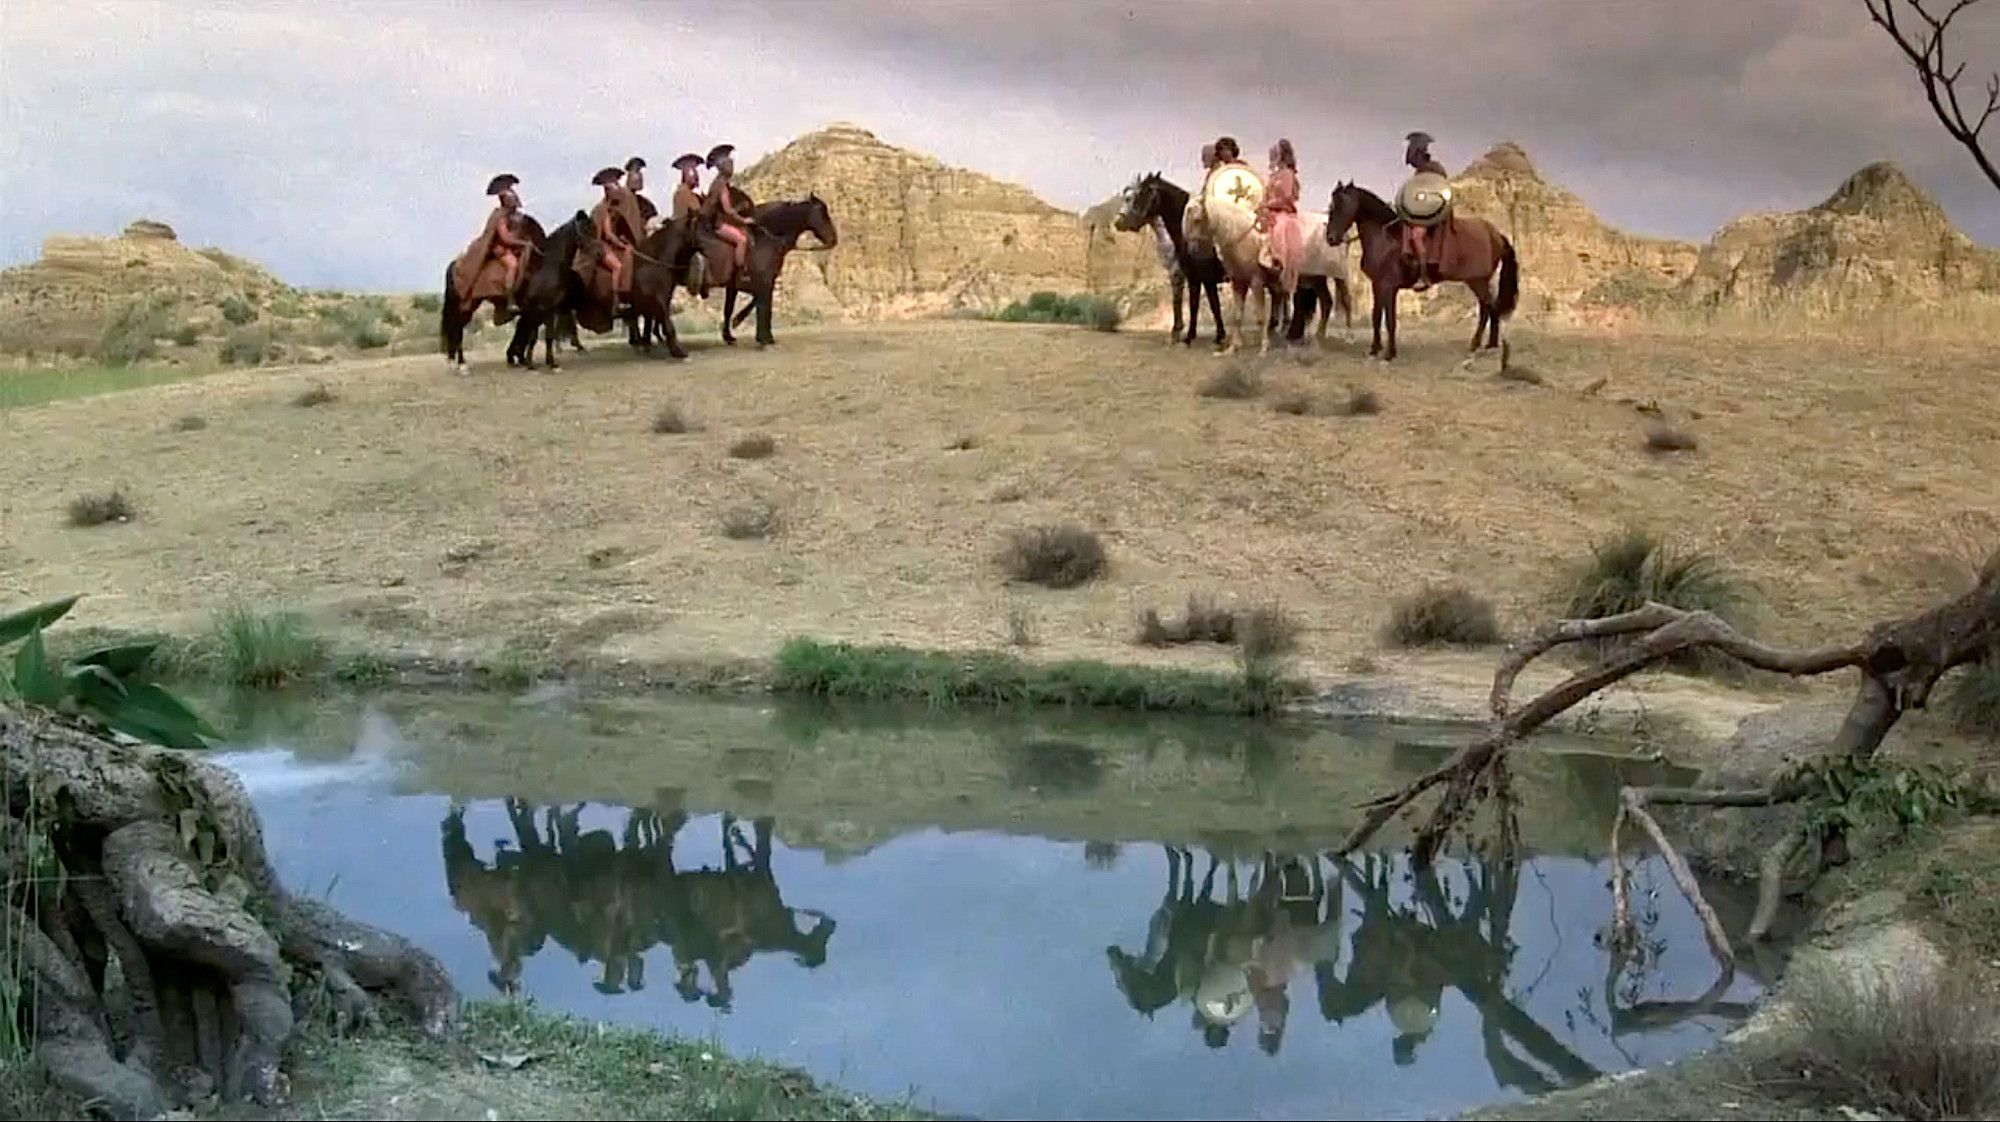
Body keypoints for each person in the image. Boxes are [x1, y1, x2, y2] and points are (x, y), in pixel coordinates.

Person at [454, 173, 532, 322]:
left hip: (513, 247)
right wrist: (522, 243)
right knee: (513, 265)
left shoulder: (513, 216)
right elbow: (505, 238)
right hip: (501, 249)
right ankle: (510, 301)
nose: (515, 200)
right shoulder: (500, 216)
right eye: (512, 199)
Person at [1400, 131, 1451, 291]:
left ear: (1420, 154)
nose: (1413, 164)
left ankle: (1424, 276)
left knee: (1417, 235)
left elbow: (1439, 190)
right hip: (1420, 212)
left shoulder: (1435, 169)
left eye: (1414, 159)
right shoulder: (1419, 172)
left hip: (1434, 211)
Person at [702, 143, 755, 283]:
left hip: (715, 221)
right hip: (715, 224)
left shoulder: (720, 182)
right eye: (728, 162)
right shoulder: (721, 184)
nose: (732, 165)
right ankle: (741, 274)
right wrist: (743, 220)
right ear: (721, 165)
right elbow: (727, 210)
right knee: (741, 240)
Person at [1259, 138, 1304, 296]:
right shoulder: (1273, 175)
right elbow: (1265, 195)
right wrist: (1262, 206)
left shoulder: (1287, 174)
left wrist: (1268, 205)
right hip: (1269, 211)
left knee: (1279, 228)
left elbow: (1286, 197)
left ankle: (1279, 261)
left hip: (1283, 212)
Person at [590, 166, 640, 295]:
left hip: (606, 245)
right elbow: (608, 234)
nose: (618, 190)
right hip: (600, 247)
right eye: (615, 187)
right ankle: (615, 296)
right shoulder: (602, 209)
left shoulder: (611, 208)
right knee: (617, 266)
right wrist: (622, 245)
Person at [670, 152, 708, 291]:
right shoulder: (683, 193)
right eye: (693, 173)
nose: (696, 177)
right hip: (684, 234)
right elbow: (697, 212)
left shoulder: (690, 194)